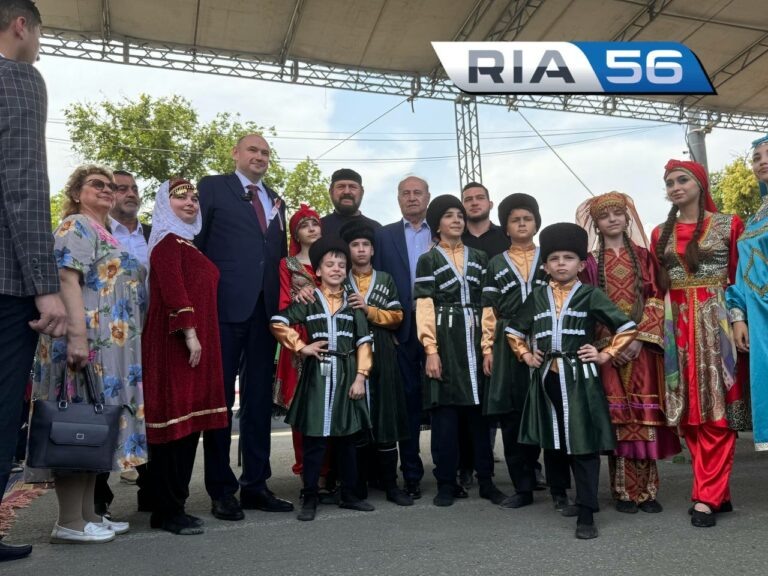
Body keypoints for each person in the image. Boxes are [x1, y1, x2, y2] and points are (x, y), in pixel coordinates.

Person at [30, 165, 148, 543]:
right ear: (77, 192)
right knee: (76, 427)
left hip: (109, 346)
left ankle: (88, 514)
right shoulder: (76, 225)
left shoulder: (103, 230)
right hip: (87, 341)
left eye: (111, 186)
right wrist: (78, 338)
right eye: (97, 184)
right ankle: (69, 522)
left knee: (93, 429)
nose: (107, 190)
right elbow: (68, 279)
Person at [507, 222, 638, 539]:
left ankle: (587, 512)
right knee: (553, 439)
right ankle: (558, 492)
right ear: (546, 265)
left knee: (583, 443)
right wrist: (526, 356)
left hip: (580, 381)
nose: (561, 263)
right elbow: (514, 331)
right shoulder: (537, 297)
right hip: (546, 379)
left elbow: (627, 326)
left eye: (568, 258)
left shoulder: (590, 295)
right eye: (554, 258)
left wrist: (605, 354)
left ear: (581, 264)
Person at [0, 0, 67, 561]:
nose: (40, 44)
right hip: (5, 280)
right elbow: (22, 182)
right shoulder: (18, 76)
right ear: (22, 25)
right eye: (39, 33)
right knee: (2, 413)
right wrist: (44, 284)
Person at [196, 133, 292, 520]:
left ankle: (256, 484)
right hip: (222, 309)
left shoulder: (275, 199)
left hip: (264, 313)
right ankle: (221, 490)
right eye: (253, 150)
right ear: (235, 153)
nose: (260, 156)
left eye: (266, 152)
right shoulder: (212, 187)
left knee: (257, 403)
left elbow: (277, 255)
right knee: (219, 403)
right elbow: (196, 246)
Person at [651, 159, 746, 528]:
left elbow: (738, 274)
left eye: (682, 180)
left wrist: (739, 320)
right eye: (669, 182)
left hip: (717, 323)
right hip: (678, 329)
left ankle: (706, 497)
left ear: (700, 183)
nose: (675, 186)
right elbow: (658, 287)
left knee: (720, 413)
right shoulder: (661, 232)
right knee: (689, 414)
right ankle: (716, 491)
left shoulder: (729, 224)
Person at [576, 192, 681, 514]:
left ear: (626, 218)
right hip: (609, 351)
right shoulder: (590, 263)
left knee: (644, 418)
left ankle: (648, 492)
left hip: (642, 349)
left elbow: (654, 297)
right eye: (605, 215)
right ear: (596, 222)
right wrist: (610, 346)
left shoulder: (644, 257)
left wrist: (637, 340)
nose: (612, 219)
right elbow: (588, 309)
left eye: (617, 214)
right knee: (619, 421)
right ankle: (623, 492)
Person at [142, 179, 229, 535]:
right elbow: (174, 290)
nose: (191, 202)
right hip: (176, 345)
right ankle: (165, 510)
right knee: (174, 428)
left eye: (194, 197)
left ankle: (174, 505)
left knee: (190, 427)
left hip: (197, 346)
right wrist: (190, 334)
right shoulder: (166, 244)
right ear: (165, 203)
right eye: (181, 197)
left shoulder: (186, 244)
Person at [270, 236, 375, 521]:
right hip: (316, 377)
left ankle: (350, 495)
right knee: (314, 440)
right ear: (317, 271)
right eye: (330, 264)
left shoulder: (354, 302)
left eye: (342, 264)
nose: (337, 269)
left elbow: (365, 341)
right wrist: (301, 347)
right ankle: (310, 497)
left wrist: (361, 377)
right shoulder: (309, 298)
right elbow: (278, 322)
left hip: (345, 376)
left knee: (347, 439)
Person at [415, 194, 505, 507]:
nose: (456, 220)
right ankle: (445, 483)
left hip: (476, 336)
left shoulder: (480, 258)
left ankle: (486, 481)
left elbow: (489, 303)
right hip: (445, 337)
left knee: (480, 418)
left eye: (459, 215)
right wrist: (431, 349)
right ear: (437, 223)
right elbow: (424, 304)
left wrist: (489, 346)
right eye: (449, 215)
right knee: (445, 418)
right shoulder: (428, 259)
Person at [480, 193, 551, 510]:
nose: (522, 223)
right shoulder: (495, 263)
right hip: (507, 343)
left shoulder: (550, 258)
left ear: (536, 223)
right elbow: (489, 309)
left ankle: (556, 485)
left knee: (547, 408)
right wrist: (487, 348)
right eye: (515, 219)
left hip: (547, 340)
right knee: (512, 415)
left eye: (527, 218)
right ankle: (522, 487)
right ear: (505, 227)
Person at [340, 220, 413, 506]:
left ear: (372, 250)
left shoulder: (385, 279)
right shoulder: (339, 278)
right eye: (355, 245)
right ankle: (355, 485)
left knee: (385, 414)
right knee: (355, 414)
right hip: (350, 351)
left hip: (382, 348)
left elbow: (397, 316)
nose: (360, 250)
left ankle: (391, 485)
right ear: (348, 250)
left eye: (365, 245)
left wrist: (370, 310)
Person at [373, 175, 432, 499]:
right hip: (401, 331)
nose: (412, 198)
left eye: (417, 193)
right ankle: (411, 473)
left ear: (427, 197)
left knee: (443, 401)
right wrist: (388, 329)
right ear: (398, 199)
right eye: (406, 193)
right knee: (407, 404)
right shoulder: (383, 236)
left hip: (440, 329)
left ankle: (454, 472)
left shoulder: (441, 231)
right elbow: (377, 283)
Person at [274, 204, 321, 478]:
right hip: (299, 339)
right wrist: (296, 299)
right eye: (305, 225)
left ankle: (331, 470)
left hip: (329, 335)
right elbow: (282, 303)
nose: (312, 228)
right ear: (296, 233)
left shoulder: (331, 258)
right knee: (302, 407)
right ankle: (307, 471)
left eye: (315, 223)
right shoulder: (288, 264)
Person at [728, 134, 768, 452]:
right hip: (759, 324)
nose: (762, 162)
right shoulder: (755, 219)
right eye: (757, 158)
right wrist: (738, 316)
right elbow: (741, 273)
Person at [320, 168, 381, 237]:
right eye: (341, 187)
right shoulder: (319, 228)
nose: (347, 192)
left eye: (352, 187)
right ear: (331, 192)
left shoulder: (376, 229)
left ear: (362, 192)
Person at [109, 170, 151, 270]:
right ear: (108, 194)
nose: (132, 194)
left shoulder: (156, 235)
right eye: (122, 189)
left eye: (135, 190)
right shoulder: (96, 233)